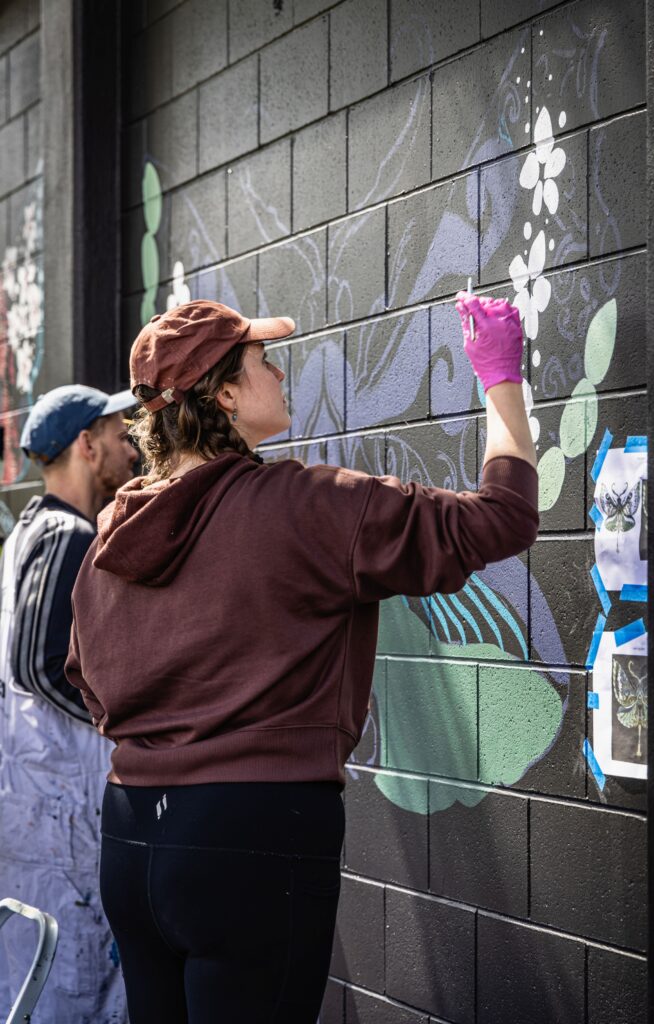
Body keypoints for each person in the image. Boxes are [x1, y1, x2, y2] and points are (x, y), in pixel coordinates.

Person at [65, 295, 538, 1024]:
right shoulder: (303, 506)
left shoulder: (110, 535)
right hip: (253, 833)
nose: (281, 373)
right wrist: (500, 379)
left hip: (131, 839)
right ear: (222, 394)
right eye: (262, 362)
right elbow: (499, 520)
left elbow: (86, 680)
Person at [0, 385, 137, 1023]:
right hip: (58, 805)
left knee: (44, 975)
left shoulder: (32, 528)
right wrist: (123, 722)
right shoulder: (65, 532)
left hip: (41, 800)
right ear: (87, 446)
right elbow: (35, 663)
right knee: (70, 980)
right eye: (116, 434)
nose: (130, 445)